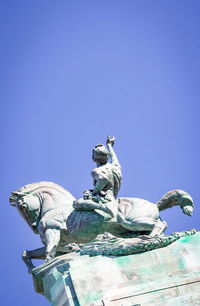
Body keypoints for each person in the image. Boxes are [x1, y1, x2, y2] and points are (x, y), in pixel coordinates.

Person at [73, 136, 122, 217]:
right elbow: (114, 159)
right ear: (107, 156)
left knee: (77, 204)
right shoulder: (115, 167)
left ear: (94, 158)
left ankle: (103, 208)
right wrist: (109, 146)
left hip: (104, 199)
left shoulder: (96, 171)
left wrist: (93, 193)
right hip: (113, 198)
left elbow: (103, 179)